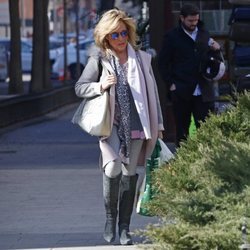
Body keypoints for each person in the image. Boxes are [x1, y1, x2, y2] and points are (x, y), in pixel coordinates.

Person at [74, 8, 164, 245]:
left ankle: (124, 227)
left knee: (130, 174)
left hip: (137, 124)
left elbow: (153, 94)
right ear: (105, 37)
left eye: (124, 33)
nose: (121, 39)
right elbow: (80, 87)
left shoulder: (142, 59)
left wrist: (160, 124)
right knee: (113, 167)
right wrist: (100, 85)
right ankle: (109, 217)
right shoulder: (100, 60)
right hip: (111, 126)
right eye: (115, 35)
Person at [158, 4, 221, 147]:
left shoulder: (204, 34)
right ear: (182, 18)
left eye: (196, 20)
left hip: (203, 89)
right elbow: (162, 63)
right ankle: (183, 162)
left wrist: (216, 50)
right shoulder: (172, 37)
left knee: (206, 129)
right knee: (182, 130)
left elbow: (212, 58)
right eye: (190, 21)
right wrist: (171, 84)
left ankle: (206, 160)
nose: (194, 24)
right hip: (181, 89)